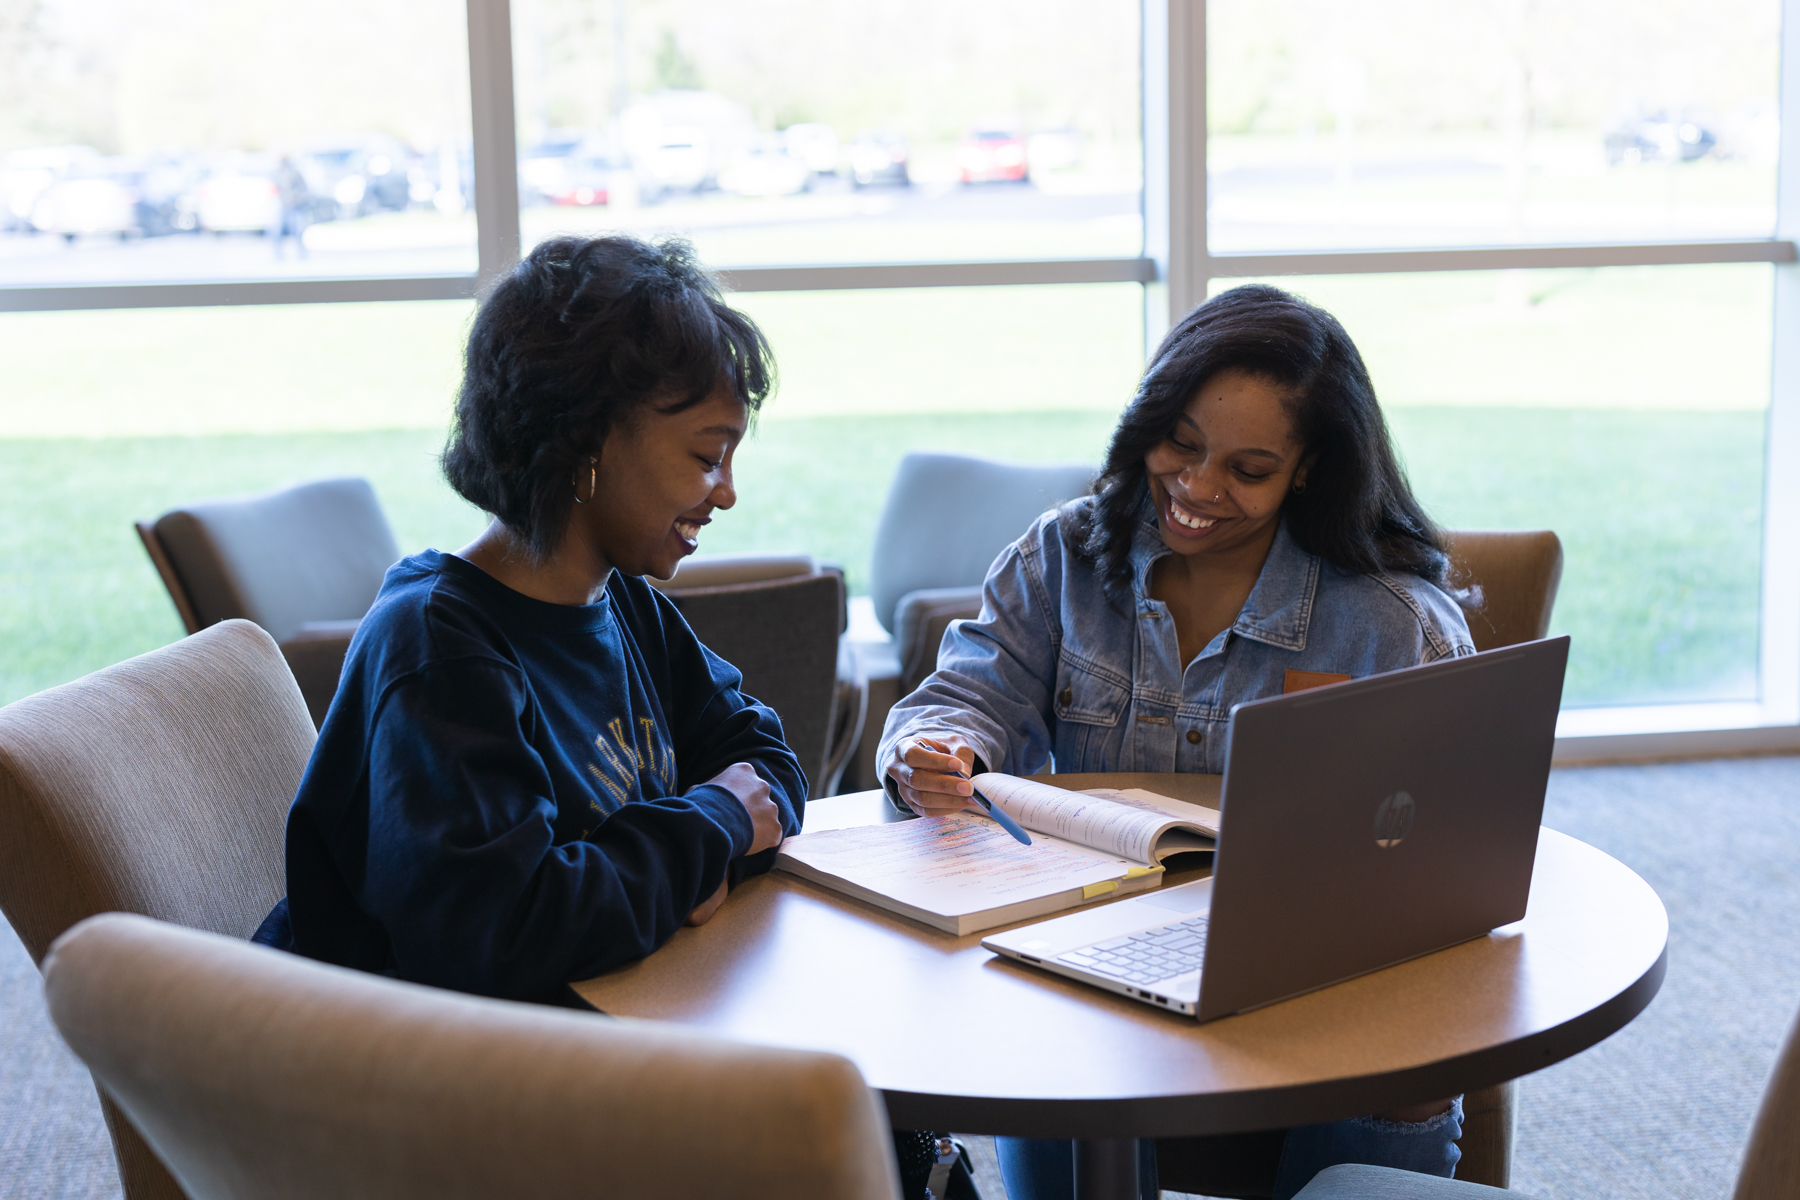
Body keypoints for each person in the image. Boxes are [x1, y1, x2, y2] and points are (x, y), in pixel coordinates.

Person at [878, 283, 1478, 1200]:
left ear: (1309, 468)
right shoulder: (1064, 557)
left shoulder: (1394, 625)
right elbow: (962, 694)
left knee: (1412, 1067)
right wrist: (937, 749)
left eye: (1248, 469)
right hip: (1089, 956)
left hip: (1311, 979)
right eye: (1181, 445)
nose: (1197, 490)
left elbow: (1456, 862)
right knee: (1031, 1033)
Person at [253, 234, 803, 1010]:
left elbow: (765, 765)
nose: (727, 493)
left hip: (588, 1024)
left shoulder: (622, 602)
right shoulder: (440, 648)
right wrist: (706, 831)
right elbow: (505, 936)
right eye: (708, 456)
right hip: (431, 1084)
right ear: (585, 443)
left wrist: (677, 867)